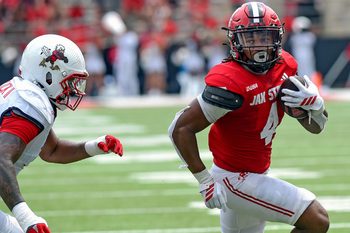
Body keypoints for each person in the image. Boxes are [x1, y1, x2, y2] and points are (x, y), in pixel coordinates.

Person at [168, 2, 329, 233]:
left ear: (277, 38)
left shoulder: (285, 67)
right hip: (233, 180)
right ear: (235, 42)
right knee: (317, 220)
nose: (259, 46)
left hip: (257, 172)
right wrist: (204, 180)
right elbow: (180, 128)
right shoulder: (229, 81)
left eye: (264, 37)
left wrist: (315, 107)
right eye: (250, 39)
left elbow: (316, 128)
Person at [0, 34, 124, 233]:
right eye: (70, 80)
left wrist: (94, 147)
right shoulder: (31, 103)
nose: (74, 89)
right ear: (48, 75)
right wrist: (25, 216)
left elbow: (52, 150)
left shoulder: (28, 96)